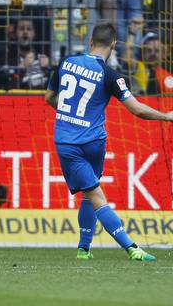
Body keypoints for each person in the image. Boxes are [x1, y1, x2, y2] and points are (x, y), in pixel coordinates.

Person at [45, 22, 173, 261]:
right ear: (114, 45)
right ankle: (99, 248)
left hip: (69, 143)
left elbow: (50, 97)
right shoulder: (111, 75)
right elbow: (136, 109)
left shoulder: (65, 63)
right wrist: (166, 116)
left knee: (93, 194)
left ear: (91, 41)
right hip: (95, 142)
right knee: (90, 192)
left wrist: (69, 114)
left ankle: (127, 248)